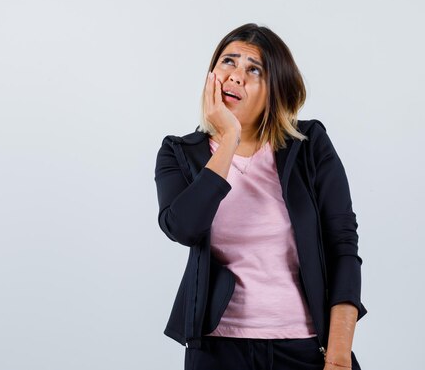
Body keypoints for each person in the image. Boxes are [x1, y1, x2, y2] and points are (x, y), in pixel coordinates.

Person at [154, 23, 367, 370]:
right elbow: (183, 228)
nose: (236, 76)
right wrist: (228, 140)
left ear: (276, 90)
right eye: (228, 62)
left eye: (254, 70)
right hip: (217, 351)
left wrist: (340, 356)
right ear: (211, 74)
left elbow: (342, 246)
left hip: (305, 349)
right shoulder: (178, 153)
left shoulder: (309, 146)